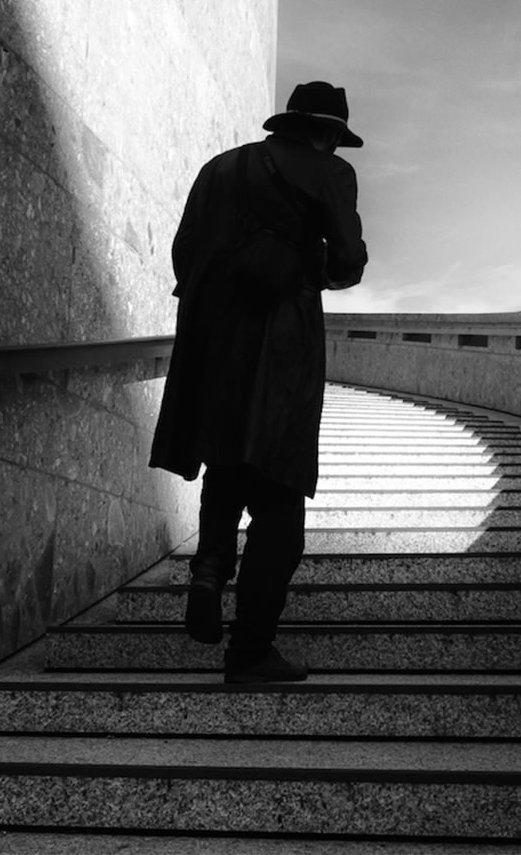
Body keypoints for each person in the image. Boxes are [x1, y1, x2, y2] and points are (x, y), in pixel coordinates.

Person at [150, 81, 367, 684]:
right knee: (279, 502)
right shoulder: (331, 174)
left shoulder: (219, 168)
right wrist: (299, 265)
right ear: (327, 134)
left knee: (226, 463)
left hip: (214, 345)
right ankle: (249, 650)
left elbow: (184, 251)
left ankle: (210, 568)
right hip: (282, 347)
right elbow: (349, 263)